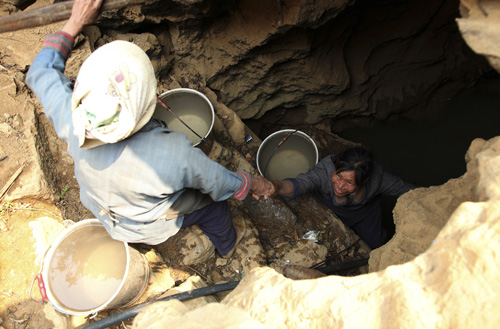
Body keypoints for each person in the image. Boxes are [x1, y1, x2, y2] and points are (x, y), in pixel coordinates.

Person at [25, 0, 273, 258]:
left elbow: (40, 71)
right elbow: (218, 182)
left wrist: (75, 22)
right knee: (215, 207)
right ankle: (228, 246)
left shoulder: (72, 117)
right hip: (150, 221)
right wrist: (253, 183)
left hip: (105, 208)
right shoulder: (171, 152)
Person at [270, 147, 418, 249]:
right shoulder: (325, 171)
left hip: (366, 214)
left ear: (364, 181)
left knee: (377, 242)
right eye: (338, 176)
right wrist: (275, 187)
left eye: (349, 182)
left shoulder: (378, 179)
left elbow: (407, 190)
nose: (340, 186)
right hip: (333, 208)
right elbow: (300, 183)